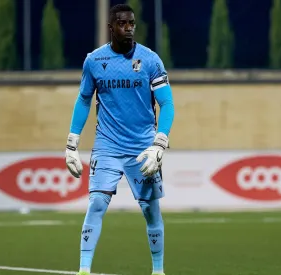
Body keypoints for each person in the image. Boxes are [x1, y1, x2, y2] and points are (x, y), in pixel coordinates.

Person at [64, 4, 175, 275]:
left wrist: (159, 143)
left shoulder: (150, 60)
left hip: (142, 148)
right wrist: (71, 143)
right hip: (108, 144)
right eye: (123, 23)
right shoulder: (94, 61)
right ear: (110, 27)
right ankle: (84, 270)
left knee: (151, 210)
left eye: (132, 23)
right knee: (97, 202)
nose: (129, 28)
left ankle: (158, 270)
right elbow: (84, 100)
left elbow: (167, 104)